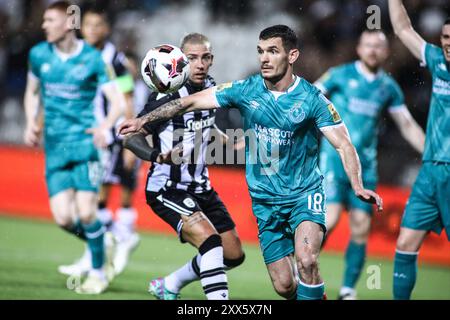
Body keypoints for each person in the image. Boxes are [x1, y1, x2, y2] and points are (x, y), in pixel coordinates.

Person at [119, 25, 383, 300]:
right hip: (257, 199)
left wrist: (358, 184)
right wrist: (143, 121)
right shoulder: (243, 90)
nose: (264, 58)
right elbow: (187, 106)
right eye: (260, 52)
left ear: (292, 56)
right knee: (284, 286)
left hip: (303, 193)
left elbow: (343, 143)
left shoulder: (311, 98)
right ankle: (172, 284)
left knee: (301, 260)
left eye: (272, 51)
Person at [122, 33, 245, 300]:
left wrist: (231, 143)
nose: (200, 64)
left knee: (233, 255)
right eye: (192, 58)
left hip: (201, 186)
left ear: (212, 59)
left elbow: (204, 126)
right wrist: (157, 156)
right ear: (180, 61)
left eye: (205, 57)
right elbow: (131, 138)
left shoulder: (210, 87)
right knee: (211, 244)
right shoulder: (167, 95)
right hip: (168, 187)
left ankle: (169, 285)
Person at [314, 29, 425, 300]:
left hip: (366, 166)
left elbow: (407, 125)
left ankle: (347, 290)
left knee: (361, 227)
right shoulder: (339, 74)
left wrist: (433, 154)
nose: (373, 50)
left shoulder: (388, 87)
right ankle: (304, 268)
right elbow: (310, 95)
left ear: (385, 52)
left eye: (378, 46)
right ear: (359, 48)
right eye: (368, 45)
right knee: (330, 218)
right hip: (333, 159)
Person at [23, 1, 125, 294]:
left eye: (50, 20)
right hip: (55, 149)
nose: (44, 26)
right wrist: (31, 121)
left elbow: (117, 101)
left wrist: (105, 126)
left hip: (86, 147)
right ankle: (101, 241)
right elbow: (31, 92)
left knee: (88, 213)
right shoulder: (38, 54)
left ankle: (98, 273)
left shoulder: (93, 59)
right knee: (64, 219)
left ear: (68, 23)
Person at [57, 6, 140, 279]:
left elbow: (127, 96)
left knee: (95, 199)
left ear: (106, 29)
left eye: (98, 25)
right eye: (88, 25)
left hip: (113, 136)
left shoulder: (115, 60)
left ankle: (103, 250)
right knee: (91, 199)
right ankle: (113, 241)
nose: (92, 30)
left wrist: (131, 136)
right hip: (92, 137)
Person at [388, 0, 450, 300]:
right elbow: (402, 29)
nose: (448, 44)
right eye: (446, 38)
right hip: (429, 171)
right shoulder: (437, 60)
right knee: (405, 243)